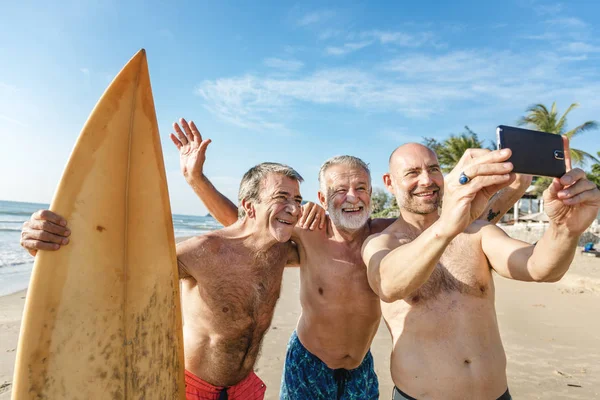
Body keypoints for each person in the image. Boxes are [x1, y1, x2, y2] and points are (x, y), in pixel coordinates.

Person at [167, 119, 531, 400]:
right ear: (324, 197)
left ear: (374, 192)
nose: (352, 197)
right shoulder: (309, 234)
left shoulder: (393, 236)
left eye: (360, 188)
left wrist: (513, 185)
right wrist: (197, 180)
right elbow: (249, 227)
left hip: (360, 367)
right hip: (309, 362)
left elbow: (466, 216)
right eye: (340, 190)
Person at [20, 160, 305, 400]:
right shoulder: (204, 250)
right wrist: (44, 245)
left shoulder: (282, 252)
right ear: (250, 205)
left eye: (297, 200)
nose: (294, 208)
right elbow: (118, 271)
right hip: (191, 387)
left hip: (245, 388)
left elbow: (335, 250)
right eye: (281, 197)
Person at [361, 142, 600, 400]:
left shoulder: (476, 231)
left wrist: (565, 229)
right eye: (412, 173)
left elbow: (540, 267)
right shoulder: (381, 243)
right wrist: (447, 225)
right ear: (389, 182)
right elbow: (388, 284)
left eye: (433, 169)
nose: (426, 180)